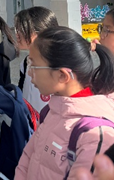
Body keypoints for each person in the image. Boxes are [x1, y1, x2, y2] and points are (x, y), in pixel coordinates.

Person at [15, 27, 114, 180]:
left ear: (62, 75)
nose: (29, 72)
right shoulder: (51, 110)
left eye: (33, 65)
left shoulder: (95, 134)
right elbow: (27, 159)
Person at [14, 6, 59, 113]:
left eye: (22, 30)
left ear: (40, 33)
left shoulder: (58, 63)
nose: (17, 35)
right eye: (17, 30)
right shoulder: (25, 63)